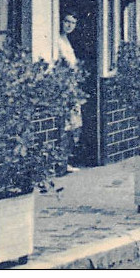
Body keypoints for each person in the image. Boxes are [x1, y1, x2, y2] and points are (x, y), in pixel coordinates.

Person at [57, 11, 82, 170]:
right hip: (64, 85)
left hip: (72, 85)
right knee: (67, 123)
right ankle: (62, 163)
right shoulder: (57, 40)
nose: (69, 25)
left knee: (75, 123)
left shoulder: (66, 40)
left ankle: (66, 161)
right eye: (66, 21)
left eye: (72, 23)